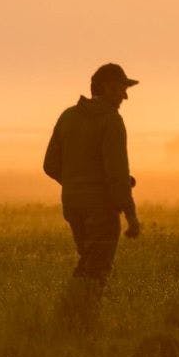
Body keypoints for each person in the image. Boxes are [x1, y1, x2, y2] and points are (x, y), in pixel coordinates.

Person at [43, 62, 142, 323]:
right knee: (95, 270)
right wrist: (131, 218)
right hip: (101, 209)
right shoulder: (111, 121)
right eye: (122, 88)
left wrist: (78, 183)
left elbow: (50, 165)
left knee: (88, 262)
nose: (125, 96)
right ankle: (73, 320)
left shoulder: (67, 116)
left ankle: (75, 319)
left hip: (73, 206)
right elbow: (117, 175)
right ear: (108, 88)